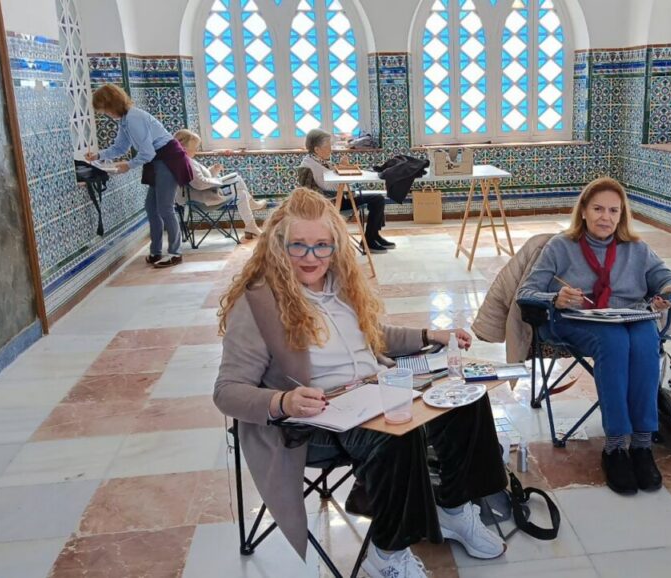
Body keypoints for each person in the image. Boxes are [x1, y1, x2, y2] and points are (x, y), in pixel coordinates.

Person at [213, 187, 508, 577]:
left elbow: (373, 335)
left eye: (322, 246)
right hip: (315, 419)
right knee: (397, 432)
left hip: (374, 390)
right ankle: (387, 554)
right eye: (298, 246)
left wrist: (427, 335)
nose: (311, 257)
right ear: (277, 244)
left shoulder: (340, 284)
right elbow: (227, 392)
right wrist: (283, 402)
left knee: (465, 398)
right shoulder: (258, 303)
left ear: (336, 246)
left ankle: (454, 508)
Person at [517, 177, 671, 496]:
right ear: (583, 211)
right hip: (575, 320)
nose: (605, 217)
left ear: (622, 216)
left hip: (627, 316)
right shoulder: (560, 246)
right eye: (597, 209)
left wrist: (667, 293)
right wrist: (556, 298)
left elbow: (669, 279)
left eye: (613, 211)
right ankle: (615, 447)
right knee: (614, 342)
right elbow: (526, 292)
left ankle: (642, 445)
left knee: (646, 338)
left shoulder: (636, 249)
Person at [86, 84, 193, 268]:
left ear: (112, 104)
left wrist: (128, 165)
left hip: (168, 160)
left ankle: (175, 253)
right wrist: (98, 156)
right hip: (158, 161)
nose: (105, 114)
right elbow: (121, 147)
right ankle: (156, 251)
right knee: (151, 207)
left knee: (165, 208)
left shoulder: (134, 118)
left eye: (104, 109)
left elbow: (147, 153)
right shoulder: (125, 120)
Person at [299, 128, 393, 253]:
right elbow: (330, 186)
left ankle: (373, 236)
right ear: (317, 149)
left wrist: (341, 167)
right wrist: (347, 175)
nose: (331, 149)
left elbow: (330, 177)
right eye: (328, 146)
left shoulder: (317, 160)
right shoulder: (310, 165)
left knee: (378, 199)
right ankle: (370, 239)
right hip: (331, 205)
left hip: (336, 200)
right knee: (377, 200)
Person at [172, 129, 269, 240]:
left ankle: (251, 225)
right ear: (184, 148)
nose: (196, 150)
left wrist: (213, 171)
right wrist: (219, 182)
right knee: (238, 185)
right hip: (201, 200)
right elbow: (200, 183)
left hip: (200, 195)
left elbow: (199, 179)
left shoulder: (183, 160)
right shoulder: (187, 162)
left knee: (240, 191)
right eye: (194, 147)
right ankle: (253, 212)